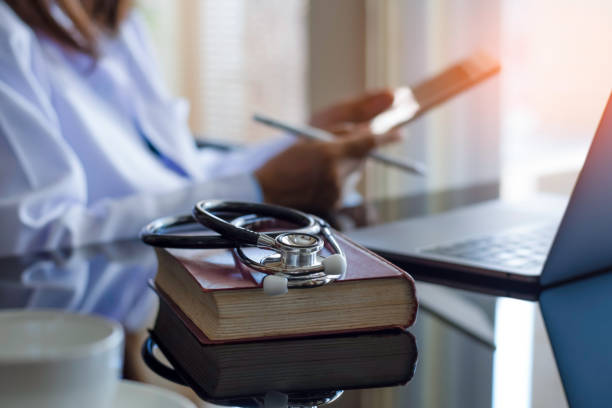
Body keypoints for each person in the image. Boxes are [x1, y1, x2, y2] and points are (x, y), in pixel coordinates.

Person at [0, 0, 396, 256]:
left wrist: (302, 142)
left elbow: (178, 175)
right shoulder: (8, 32)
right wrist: (259, 190)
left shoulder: (113, 22)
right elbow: (34, 240)